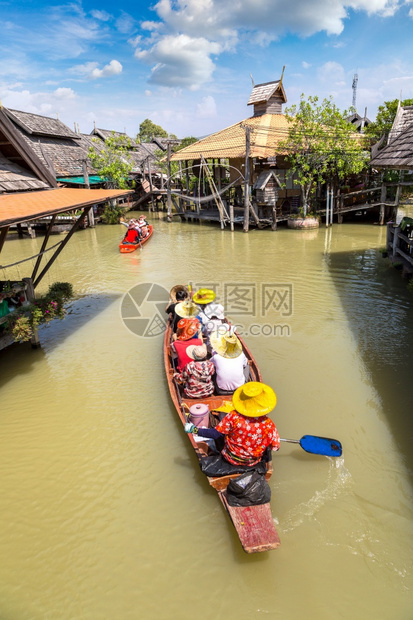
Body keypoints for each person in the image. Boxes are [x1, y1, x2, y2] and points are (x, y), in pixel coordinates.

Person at [185, 382, 280, 467]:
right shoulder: (269, 424)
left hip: (230, 459)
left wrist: (194, 430)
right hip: (252, 462)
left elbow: (215, 434)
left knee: (220, 428)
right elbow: (275, 447)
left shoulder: (234, 417)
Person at [209, 327, 248, 394]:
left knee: (214, 367)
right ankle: (246, 384)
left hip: (221, 390)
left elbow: (210, 364)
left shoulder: (217, 357)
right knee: (247, 365)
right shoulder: (241, 355)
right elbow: (245, 364)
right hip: (239, 388)